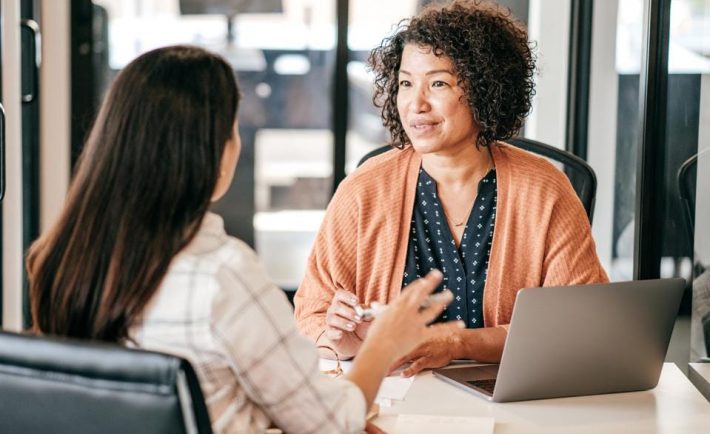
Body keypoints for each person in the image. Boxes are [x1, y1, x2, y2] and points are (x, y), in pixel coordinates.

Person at [26, 45, 462, 434]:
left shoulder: (61, 259)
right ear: (211, 152)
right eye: (233, 129)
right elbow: (333, 424)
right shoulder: (223, 275)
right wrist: (384, 343)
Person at [294, 0, 608, 376]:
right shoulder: (363, 190)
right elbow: (311, 314)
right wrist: (343, 342)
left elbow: (576, 324)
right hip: (395, 399)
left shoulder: (544, 189)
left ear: (484, 88)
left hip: (509, 397)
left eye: (438, 83)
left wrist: (460, 343)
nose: (416, 104)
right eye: (406, 83)